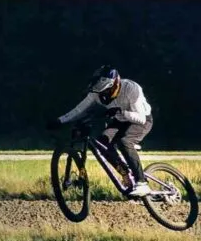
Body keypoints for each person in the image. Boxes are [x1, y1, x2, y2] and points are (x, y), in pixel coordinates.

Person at [56, 65, 154, 196]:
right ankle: (125, 173)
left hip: (141, 120)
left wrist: (121, 111)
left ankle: (142, 183)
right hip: (120, 120)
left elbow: (141, 118)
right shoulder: (96, 92)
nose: (103, 96)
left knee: (124, 142)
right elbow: (79, 109)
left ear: (113, 86)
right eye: (101, 93)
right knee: (102, 143)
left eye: (105, 92)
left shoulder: (131, 88)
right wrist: (60, 121)